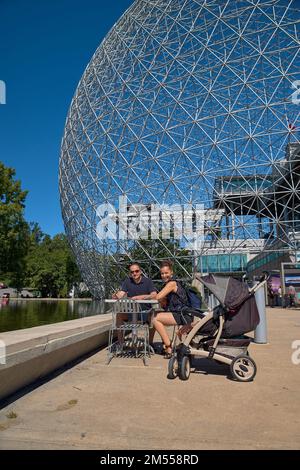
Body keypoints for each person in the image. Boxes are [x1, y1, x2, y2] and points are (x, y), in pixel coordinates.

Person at [139, 260, 198, 358]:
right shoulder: (170, 284)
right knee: (151, 314)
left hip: (183, 315)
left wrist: (141, 297)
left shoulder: (172, 284)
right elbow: (164, 302)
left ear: (171, 272)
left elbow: (157, 297)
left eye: (166, 273)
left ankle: (168, 345)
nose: (163, 275)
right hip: (180, 313)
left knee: (155, 318)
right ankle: (150, 343)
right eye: (162, 273)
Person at [112, 263, 157, 344]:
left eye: (136, 271)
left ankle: (150, 343)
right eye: (132, 272)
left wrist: (141, 297)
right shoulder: (127, 281)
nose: (134, 273)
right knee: (119, 315)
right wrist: (116, 295)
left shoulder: (148, 281)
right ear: (130, 273)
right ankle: (121, 343)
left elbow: (154, 295)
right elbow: (121, 294)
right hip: (131, 312)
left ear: (140, 272)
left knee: (153, 318)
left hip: (144, 312)